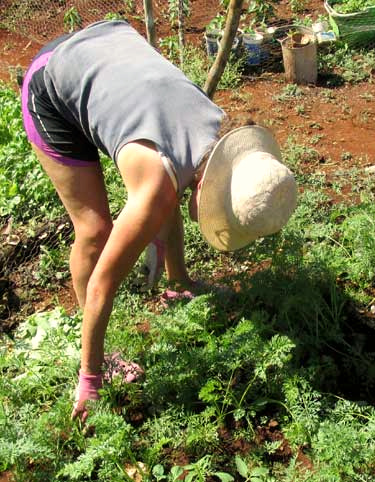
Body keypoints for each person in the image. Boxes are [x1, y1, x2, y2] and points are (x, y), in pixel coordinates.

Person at [21, 20, 298, 421]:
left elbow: (175, 177)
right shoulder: (156, 185)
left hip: (103, 49)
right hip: (50, 86)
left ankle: (177, 284)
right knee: (95, 231)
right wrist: (91, 380)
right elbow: (104, 282)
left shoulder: (209, 126)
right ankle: (95, 359)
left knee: (166, 191)